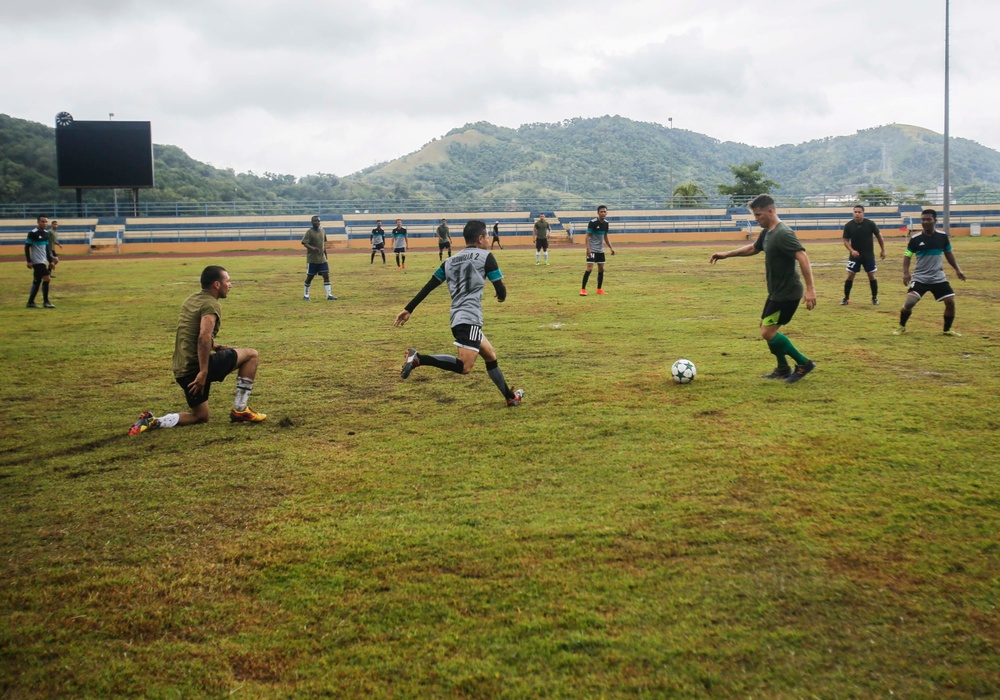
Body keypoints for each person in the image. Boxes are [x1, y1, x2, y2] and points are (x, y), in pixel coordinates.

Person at [394, 220, 524, 408]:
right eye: (487, 236)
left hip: (457, 317)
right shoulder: (486, 257)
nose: (488, 240)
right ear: (480, 238)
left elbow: (429, 286)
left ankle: (510, 397)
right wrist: (501, 295)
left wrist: (409, 309)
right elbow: (500, 289)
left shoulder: (449, 261)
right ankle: (419, 359)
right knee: (465, 367)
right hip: (469, 318)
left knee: (490, 356)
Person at [128, 265, 266, 434]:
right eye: (227, 281)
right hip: (196, 368)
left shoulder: (192, 299)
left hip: (182, 370)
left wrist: (216, 347)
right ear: (216, 284)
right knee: (252, 355)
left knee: (201, 416)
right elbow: (203, 337)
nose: (230, 285)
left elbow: (190, 333)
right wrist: (203, 372)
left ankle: (154, 421)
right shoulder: (211, 305)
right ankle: (240, 410)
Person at [710, 194, 818, 383]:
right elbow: (753, 248)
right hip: (776, 292)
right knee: (765, 327)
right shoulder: (767, 232)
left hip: (787, 293)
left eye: (759, 215)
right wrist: (726, 254)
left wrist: (810, 289)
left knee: (768, 332)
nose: (756, 219)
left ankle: (803, 363)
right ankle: (783, 368)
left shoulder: (783, 232)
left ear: (770, 211)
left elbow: (802, 256)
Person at [894, 208, 966, 336]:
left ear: (935, 221)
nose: (925, 222)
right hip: (920, 277)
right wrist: (906, 273)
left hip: (938, 277)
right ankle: (901, 326)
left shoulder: (942, 237)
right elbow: (907, 256)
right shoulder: (915, 239)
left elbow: (949, 253)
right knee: (910, 302)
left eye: (928, 219)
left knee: (950, 302)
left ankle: (947, 330)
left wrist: (958, 270)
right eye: (923, 220)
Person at [841, 205, 886, 305]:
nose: (857, 214)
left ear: (863, 213)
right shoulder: (849, 225)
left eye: (859, 212)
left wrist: (883, 250)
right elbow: (845, 240)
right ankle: (846, 298)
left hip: (868, 255)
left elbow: (879, 236)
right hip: (855, 256)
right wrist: (852, 250)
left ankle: (874, 298)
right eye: (855, 212)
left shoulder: (870, 224)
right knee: (850, 275)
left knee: (871, 275)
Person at [580, 205, 616, 296]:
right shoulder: (592, 222)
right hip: (592, 250)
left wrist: (611, 248)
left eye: (605, 212)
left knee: (601, 269)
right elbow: (587, 236)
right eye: (601, 212)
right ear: (598, 213)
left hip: (600, 250)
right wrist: (588, 249)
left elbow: (605, 236)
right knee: (589, 269)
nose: (603, 213)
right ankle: (583, 289)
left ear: (607, 213)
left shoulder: (606, 223)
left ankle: (599, 289)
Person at [301, 215, 336, 300]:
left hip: (322, 259)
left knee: (326, 275)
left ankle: (329, 295)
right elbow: (304, 243)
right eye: (315, 221)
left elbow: (323, 244)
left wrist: (325, 255)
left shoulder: (323, 231)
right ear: (312, 222)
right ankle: (306, 295)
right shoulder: (309, 232)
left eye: (318, 221)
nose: (317, 222)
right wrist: (313, 248)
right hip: (312, 259)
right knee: (310, 277)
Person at [24, 214, 55, 308]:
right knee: (47, 278)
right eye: (42, 221)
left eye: (46, 222)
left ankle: (30, 302)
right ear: (38, 222)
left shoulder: (46, 234)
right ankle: (46, 302)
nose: (44, 223)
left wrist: (50, 261)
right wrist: (29, 261)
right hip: (37, 261)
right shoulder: (33, 233)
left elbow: (46, 249)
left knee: (37, 281)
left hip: (43, 260)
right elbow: (26, 247)